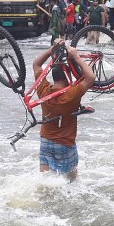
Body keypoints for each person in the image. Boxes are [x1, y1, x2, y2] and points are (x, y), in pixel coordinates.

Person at [33, 38, 95, 181]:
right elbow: (90, 77)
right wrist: (76, 56)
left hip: (45, 142)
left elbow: (36, 65)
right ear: (68, 77)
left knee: (45, 182)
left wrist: (52, 49)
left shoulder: (43, 91)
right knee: (71, 184)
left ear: (53, 77)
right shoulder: (71, 95)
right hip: (65, 144)